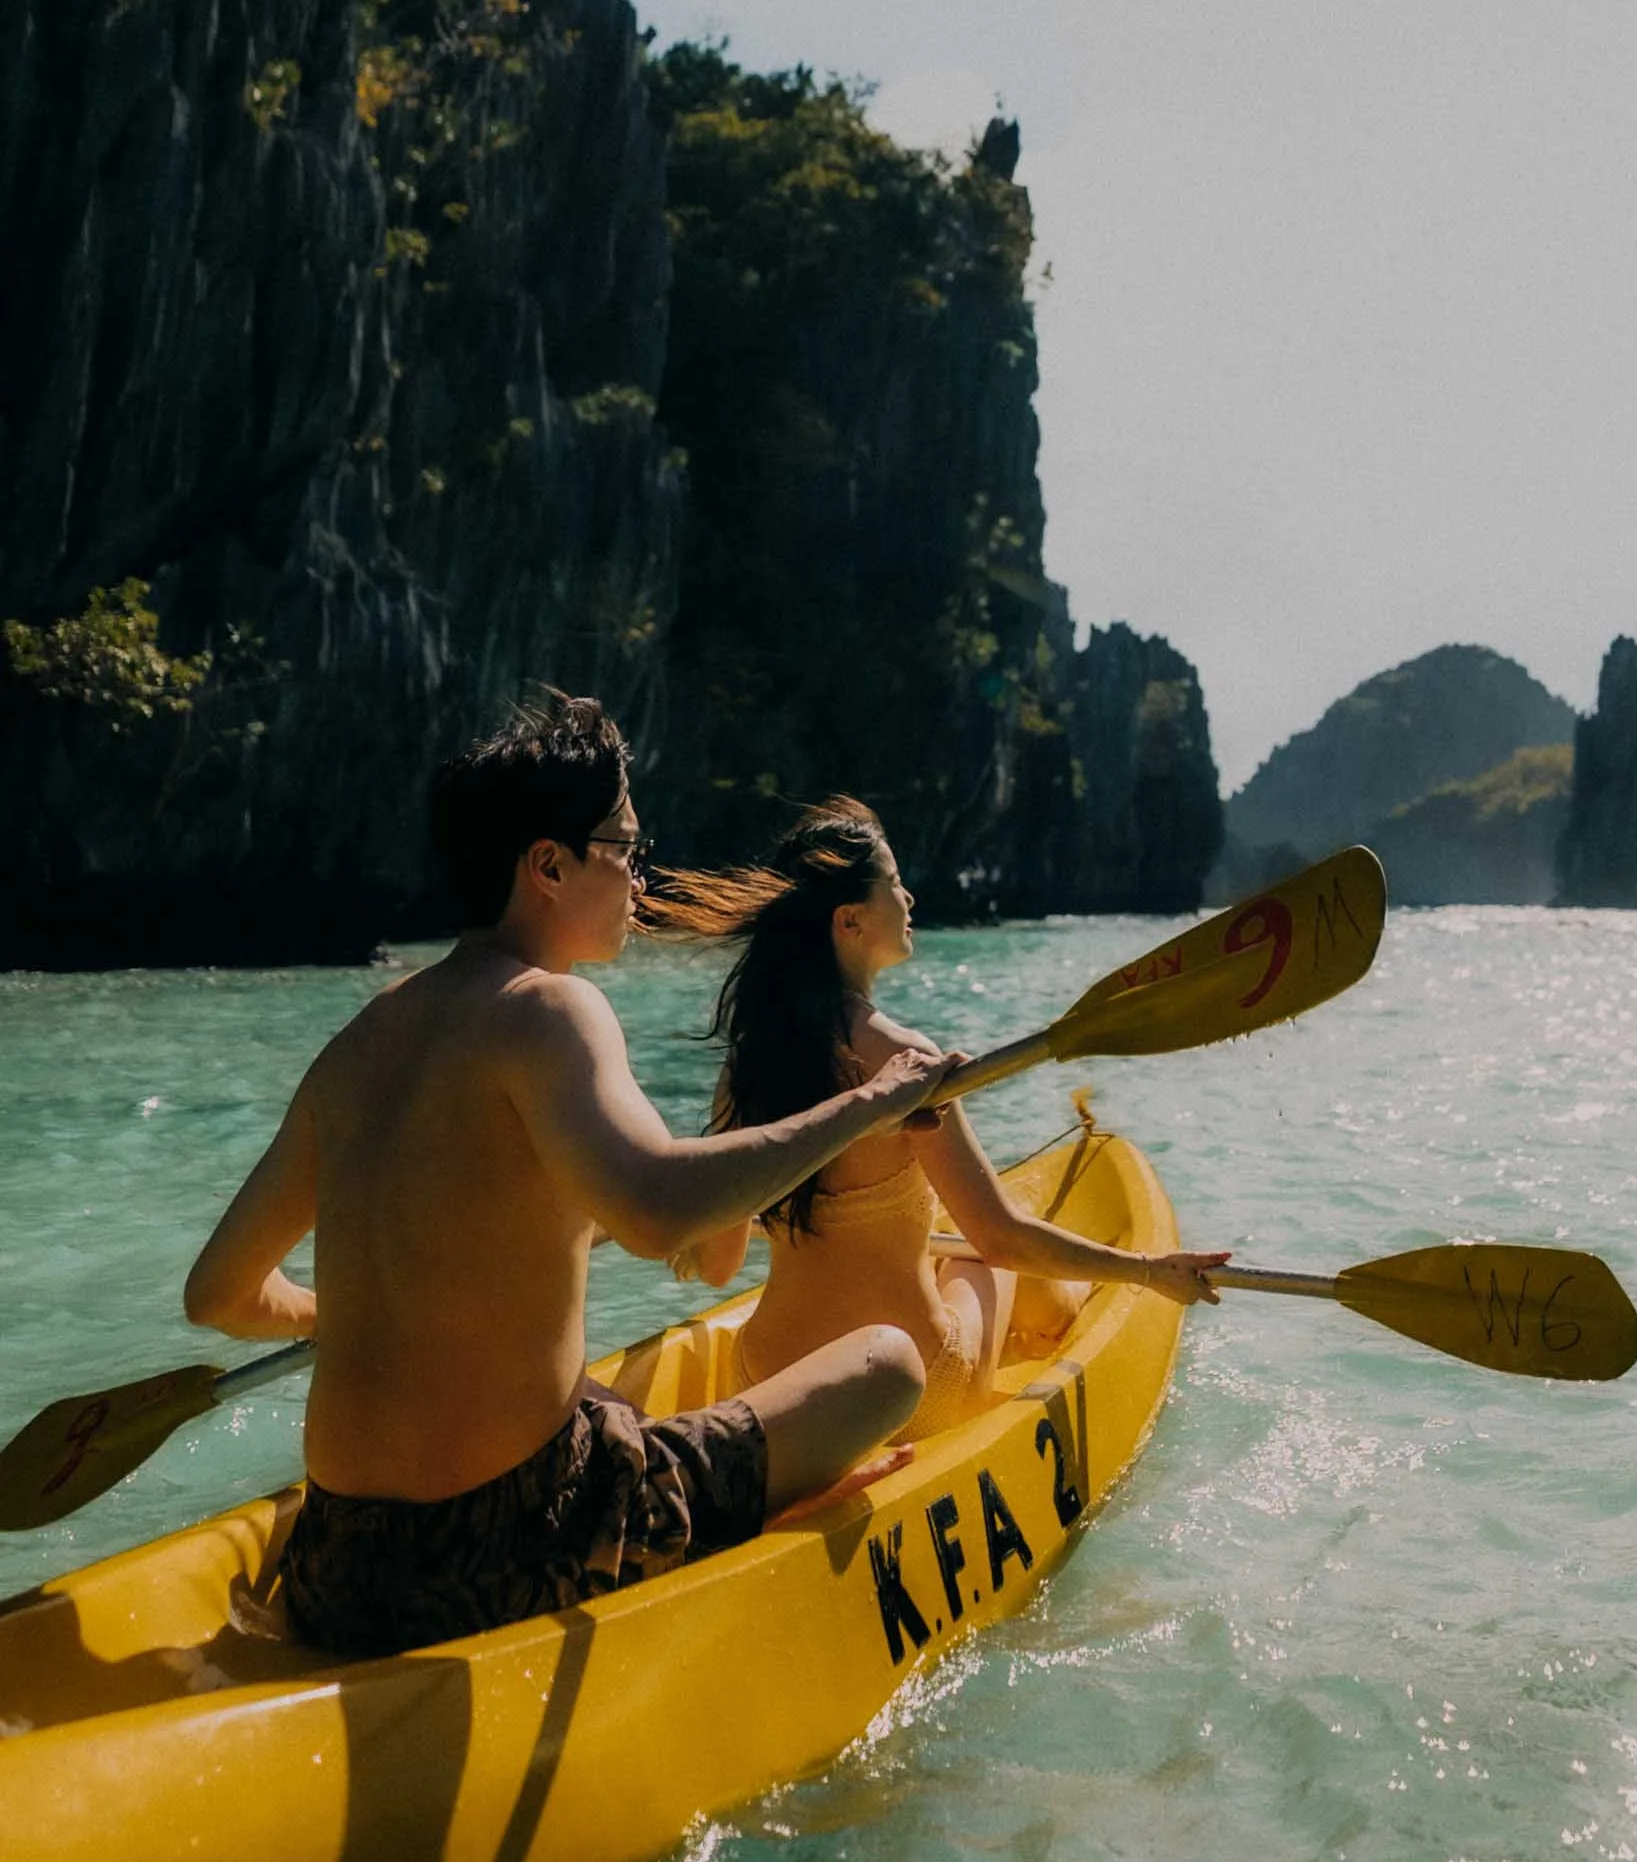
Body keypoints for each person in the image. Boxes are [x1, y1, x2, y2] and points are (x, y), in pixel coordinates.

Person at [181, 697, 955, 1658]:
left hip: (338, 1564)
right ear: (548, 865)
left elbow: (218, 1294)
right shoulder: (550, 1011)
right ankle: (739, 1539)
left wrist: (340, 1312)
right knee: (887, 1362)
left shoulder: (359, 1042)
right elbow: (659, 1211)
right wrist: (877, 1100)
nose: (639, 872)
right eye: (624, 847)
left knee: (608, 1403)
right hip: (518, 1547)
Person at [648, 799, 1227, 1431]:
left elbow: (720, 1266)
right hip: (909, 1392)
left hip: (763, 1381)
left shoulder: (746, 1068)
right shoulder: (907, 1067)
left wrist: (688, 1247)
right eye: (894, 883)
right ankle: (1071, 1308)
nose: (910, 898)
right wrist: (1146, 1271)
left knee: (947, 1242)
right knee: (981, 1254)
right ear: (850, 921)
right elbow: (1000, 1238)